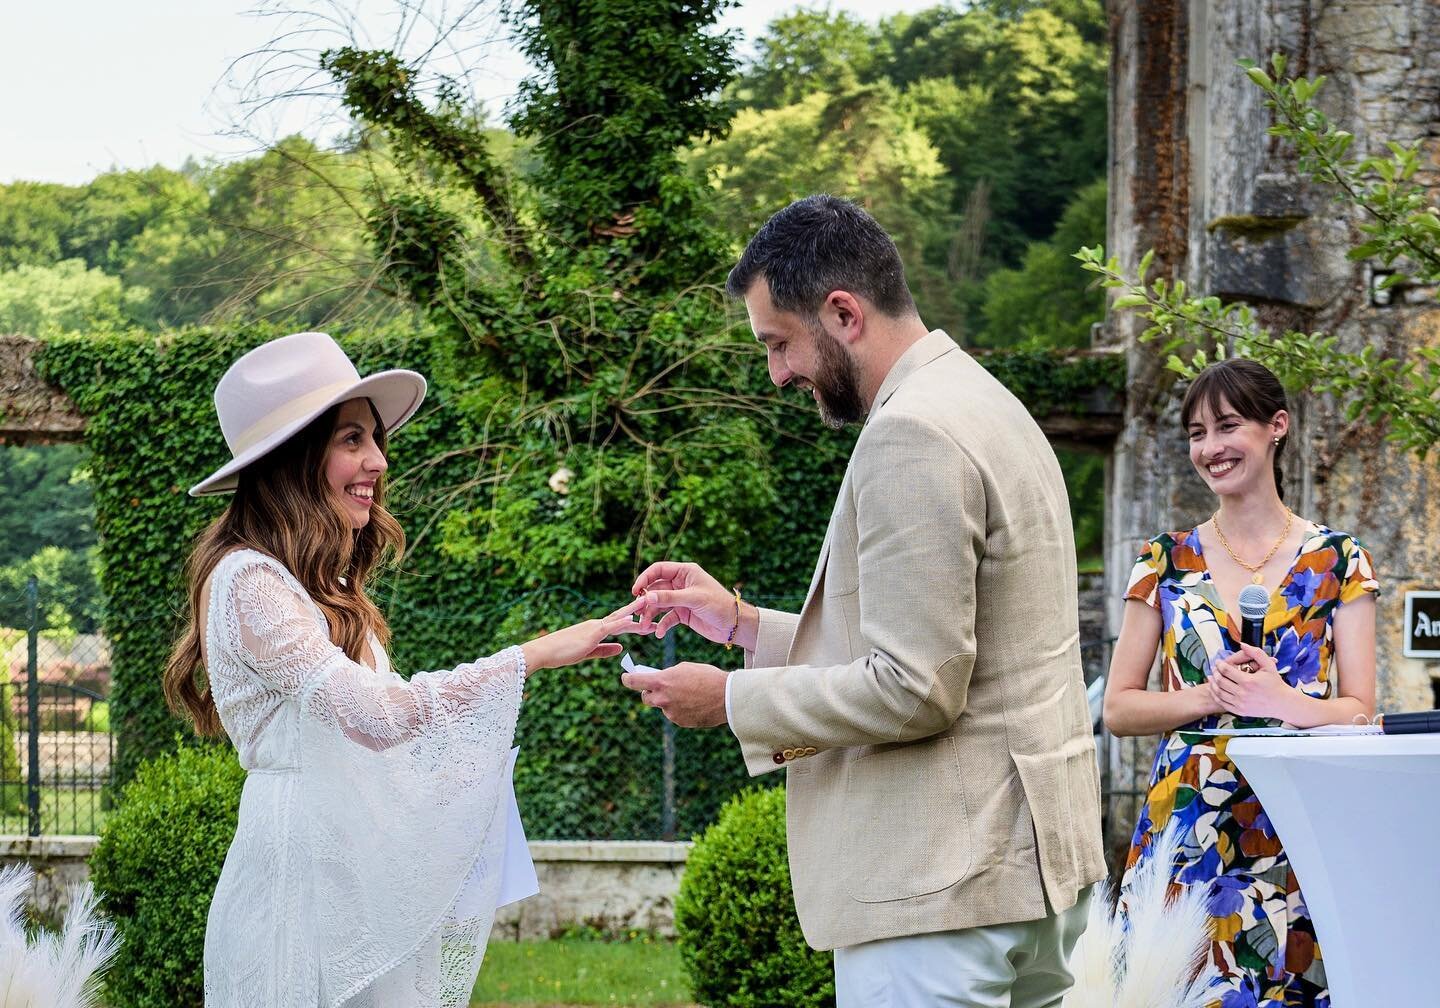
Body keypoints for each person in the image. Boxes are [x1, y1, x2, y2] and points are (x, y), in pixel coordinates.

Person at [619, 196, 1106, 1007]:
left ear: (842, 312)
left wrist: (730, 700)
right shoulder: (985, 401)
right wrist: (742, 624)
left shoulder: (911, 432)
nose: (777, 374)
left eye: (778, 343)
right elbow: (961, 643)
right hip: (1027, 876)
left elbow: (915, 685)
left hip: (940, 891)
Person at [163, 331, 640, 1008]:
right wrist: (528, 655)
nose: (378, 462)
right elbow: (375, 716)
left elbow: (379, 739)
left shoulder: (310, 585)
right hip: (303, 880)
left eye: (375, 440)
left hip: (353, 870)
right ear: (296, 458)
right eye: (352, 439)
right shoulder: (248, 580)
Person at [1103, 357, 1378, 1007]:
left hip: (1292, 819)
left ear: (1275, 427)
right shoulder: (1162, 560)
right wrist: (1207, 698)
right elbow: (1117, 707)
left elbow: (1364, 712)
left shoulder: (1340, 561)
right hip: (1187, 824)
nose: (1210, 448)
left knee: (1289, 987)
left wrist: (1284, 703)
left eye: (1227, 426)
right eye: (1197, 433)